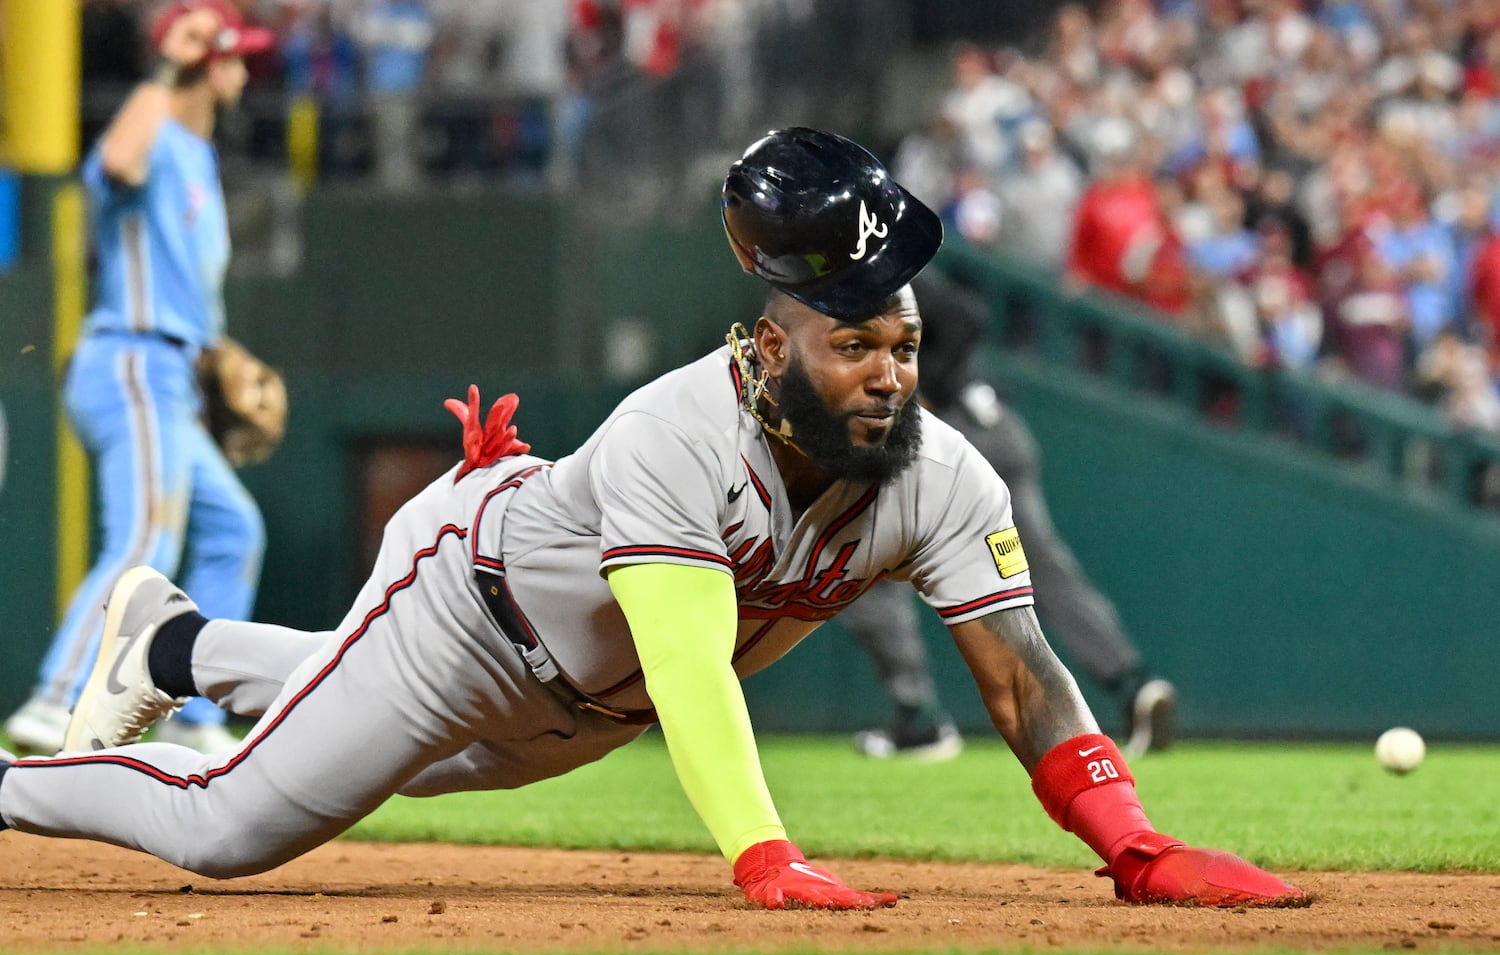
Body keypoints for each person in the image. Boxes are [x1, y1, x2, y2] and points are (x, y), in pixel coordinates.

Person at [0, 128, 1303, 911]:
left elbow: (1025, 686)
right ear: (769, 347)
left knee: (356, 718)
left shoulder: (938, 474)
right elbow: (688, 667)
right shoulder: (679, 432)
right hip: (466, 611)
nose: (890, 370)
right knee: (230, 825)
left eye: (902, 342)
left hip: (576, 711)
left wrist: (1133, 842)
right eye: (856, 342)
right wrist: (763, 853)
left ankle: (172, 645)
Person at [2, 1, 271, 756]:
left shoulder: (198, 157)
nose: (243, 71)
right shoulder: (149, 138)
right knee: (145, 538)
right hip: (131, 360)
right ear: (203, 63)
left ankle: (194, 715)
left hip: (172, 373)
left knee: (232, 529)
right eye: (233, 56)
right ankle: (53, 702)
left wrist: (216, 352)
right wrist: (165, 67)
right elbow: (115, 163)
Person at [845, 268, 1176, 763]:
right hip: (995, 428)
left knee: (857, 556)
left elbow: (963, 315)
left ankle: (919, 714)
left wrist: (927, 388)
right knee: (1041, 567)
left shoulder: (873, 267)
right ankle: (1132, 682)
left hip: (953, 436)